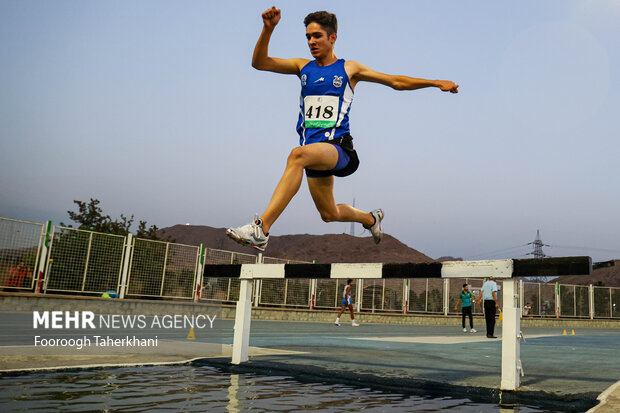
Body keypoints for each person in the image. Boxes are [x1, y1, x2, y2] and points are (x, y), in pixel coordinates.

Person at [226, 7, 459, 251]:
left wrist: (434, 83)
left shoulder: (349, 69)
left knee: (296, 155)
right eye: (308, 36)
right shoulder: (302, 67)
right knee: (329, 213)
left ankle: (261, 229)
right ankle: (371, 219)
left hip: (339, 148)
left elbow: (395, 81)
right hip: (314, 152)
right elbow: (259, 63)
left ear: (332, 37)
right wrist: (268, 29)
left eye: (317, 36)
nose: (311, 42)